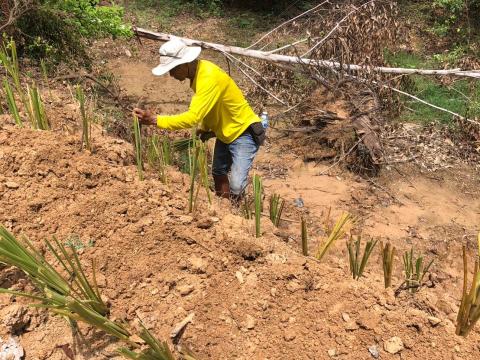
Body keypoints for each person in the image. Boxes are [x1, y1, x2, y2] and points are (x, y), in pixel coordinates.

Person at [133, 38, 265, 200]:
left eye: (173, 69)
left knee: (237, 185)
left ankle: (237, 217)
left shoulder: (208, 77)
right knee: (218, 172)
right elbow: (211, 107)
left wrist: (155, 120)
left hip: (243, 132)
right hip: (226, 132)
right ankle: (224, 208)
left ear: (185, 64)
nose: (171, 74)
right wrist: (206, 129)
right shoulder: (199, 74)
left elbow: (192, 118)